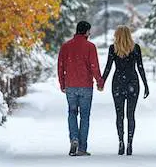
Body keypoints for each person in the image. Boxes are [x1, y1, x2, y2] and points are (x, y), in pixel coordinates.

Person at [57, 21, 104, 156]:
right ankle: (82, 148)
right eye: (89, 31)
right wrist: (99, 82)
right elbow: (94, 66)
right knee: (84, 116)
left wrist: (62, 83)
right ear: (86, 32)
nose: (90, 34)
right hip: (85, 86)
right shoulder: (90, 46)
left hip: (71, 85)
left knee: (72, 113)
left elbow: (60, 66)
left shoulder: (66, 46)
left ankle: (74, 139)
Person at [102, 25, 149, 156]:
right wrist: (145, 84)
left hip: (117, 83)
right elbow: (140, 67)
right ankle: (130, 143)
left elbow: (108, 67)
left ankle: (121, 142)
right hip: (133, 82)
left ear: (117, 35)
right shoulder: (136, 48)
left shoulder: (113, 49)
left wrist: (102, 82)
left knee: (119, 115)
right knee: (131, 115)